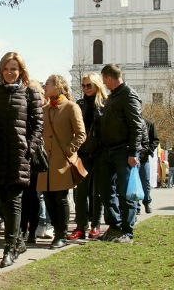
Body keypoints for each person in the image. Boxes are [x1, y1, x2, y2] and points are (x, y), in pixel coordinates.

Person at [0, 52, 43, 268]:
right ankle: (18, 240)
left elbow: (37, 125)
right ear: (1, 70)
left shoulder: (30, 94)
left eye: (14, 69)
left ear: (21, 71)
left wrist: (30, 147)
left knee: (15, 201)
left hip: (19, 155)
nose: (10, 72)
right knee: (2, 200)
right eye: (6, 69)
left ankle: (10, 248)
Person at [37, 74, 86, 249]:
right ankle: (56, 231)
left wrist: (68, 150)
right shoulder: (44, 109)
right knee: (48, 198)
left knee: (61, 198)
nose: (45, 86)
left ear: (58, 86)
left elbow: (81, 134)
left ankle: (61, 234)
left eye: (48, 83)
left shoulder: (71, 107)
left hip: (62, 162)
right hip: (45, 162)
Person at [98, 63, 145, 244]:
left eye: (104, 80)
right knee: (105, 190)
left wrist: (133, 152)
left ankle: (127, 231)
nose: (103, 84)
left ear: (109, 77)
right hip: (108, 150)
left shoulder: (128, 95)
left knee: (127, 193)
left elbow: (137, 126)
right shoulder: (113, 96)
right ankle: (115, 226)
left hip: (124, 150)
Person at [68, 73, 107, 241]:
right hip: (83, 153)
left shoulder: (106, 104)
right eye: (83, 85)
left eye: (89, 85)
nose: (85, 88)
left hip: (100, 152)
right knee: (81, 191)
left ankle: (96, 225)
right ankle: (80, 226)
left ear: (97, 85)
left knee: (98, 191)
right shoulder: (80, 104)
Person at [22, 80, 49, 244]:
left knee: (32, 195)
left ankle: (30, 230)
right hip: (23, 156)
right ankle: (25, 230)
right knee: (27, 196)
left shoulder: (38, 112)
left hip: (33, 157)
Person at [138, 119, 159, 213]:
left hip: (143, 158)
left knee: (145, 181)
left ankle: (147, 202)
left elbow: (155, 140)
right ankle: (136, 205)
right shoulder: (129, 121)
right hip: (132, 157)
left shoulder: (149, 124)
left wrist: (149, 150)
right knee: (133, 182)